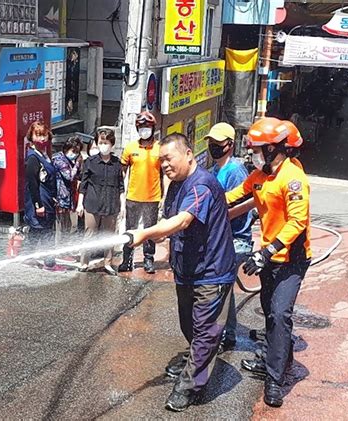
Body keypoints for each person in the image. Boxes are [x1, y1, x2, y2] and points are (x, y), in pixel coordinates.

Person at [125, 133, 236, 412]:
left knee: (205, 331)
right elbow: (170, 220)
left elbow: (184, 220)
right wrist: (158, 235)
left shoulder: (202, 185)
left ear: (188, 154)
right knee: (189, 325)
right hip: (186, 269)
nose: (164, 164)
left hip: (211, 272)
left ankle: (188, 387)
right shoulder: (176, 185)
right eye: (161, 160)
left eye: (168, 158)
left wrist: (146, 233)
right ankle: (198, 361)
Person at [226, 118, 311, 408]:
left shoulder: (293, 177)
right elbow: (235, 195)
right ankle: (280, 360)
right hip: (268, 257)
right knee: (269, 311)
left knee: (279, 312)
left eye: (258, 149)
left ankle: (274, 380)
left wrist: (268, 250)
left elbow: (298, 221)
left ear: (274, 148)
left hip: (292, 257)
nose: (253, 154)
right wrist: (204, 201)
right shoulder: (260, 175)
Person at [205, 122, 253, 352]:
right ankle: (229, 333)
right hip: (221, 239)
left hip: (236, 240)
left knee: (217, 286)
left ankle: (219, 334)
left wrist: (216, 216)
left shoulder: (234, 171)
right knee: (224, 288)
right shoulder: (215, 170)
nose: (213, 147)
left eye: (218, 143)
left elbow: (242, 206)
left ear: (230, 145)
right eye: (211, 143)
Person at [118, 111, 163, 274]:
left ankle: (148, 260)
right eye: (142, 127)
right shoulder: (130, 148)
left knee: (149, 230)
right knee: (130, 229)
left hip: (153, 197)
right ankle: (126, 260)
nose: (145, 130)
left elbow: (165, 173)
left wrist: (163, 196)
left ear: (153, 128)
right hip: (133, 197)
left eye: (148, 127)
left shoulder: (160, 148)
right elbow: (122, 171)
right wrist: (121, 195)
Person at [76, 128, 125, 275]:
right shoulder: (90, 162)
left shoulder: (117, 163)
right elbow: (83, 185)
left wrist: (123, 206)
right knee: (89, 232)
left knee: (109, 235)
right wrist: (80, 203)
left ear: (112, 144)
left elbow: (120, 186)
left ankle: (108, 263)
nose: (104, 145)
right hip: (92, 203)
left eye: (106, 142)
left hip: (111, 204)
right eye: (101, 142)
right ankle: (84, 262)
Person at [24, 121, 62, 271]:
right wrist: (38, 205)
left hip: (47, 199)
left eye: (44, 135)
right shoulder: (33, 157)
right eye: (38, 135)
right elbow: (32, 184)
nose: (41, 139)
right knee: (44, 233)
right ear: (31, 137)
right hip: (39, 201)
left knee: (39, 232)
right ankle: (49, 263)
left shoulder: (44, 154)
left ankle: (30, 258)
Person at [52, 136, 83, 243]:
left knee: (68, 226)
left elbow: (78, 176)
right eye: (73, 151)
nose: (75, 154)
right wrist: (78, 163)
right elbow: (69, 176)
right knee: (61, 227)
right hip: (60, 199)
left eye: (77, 152)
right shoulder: (59, 159)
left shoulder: (71, 161)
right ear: (66, 149)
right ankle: (60, 251)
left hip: (69, 199)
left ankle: (65, 250)